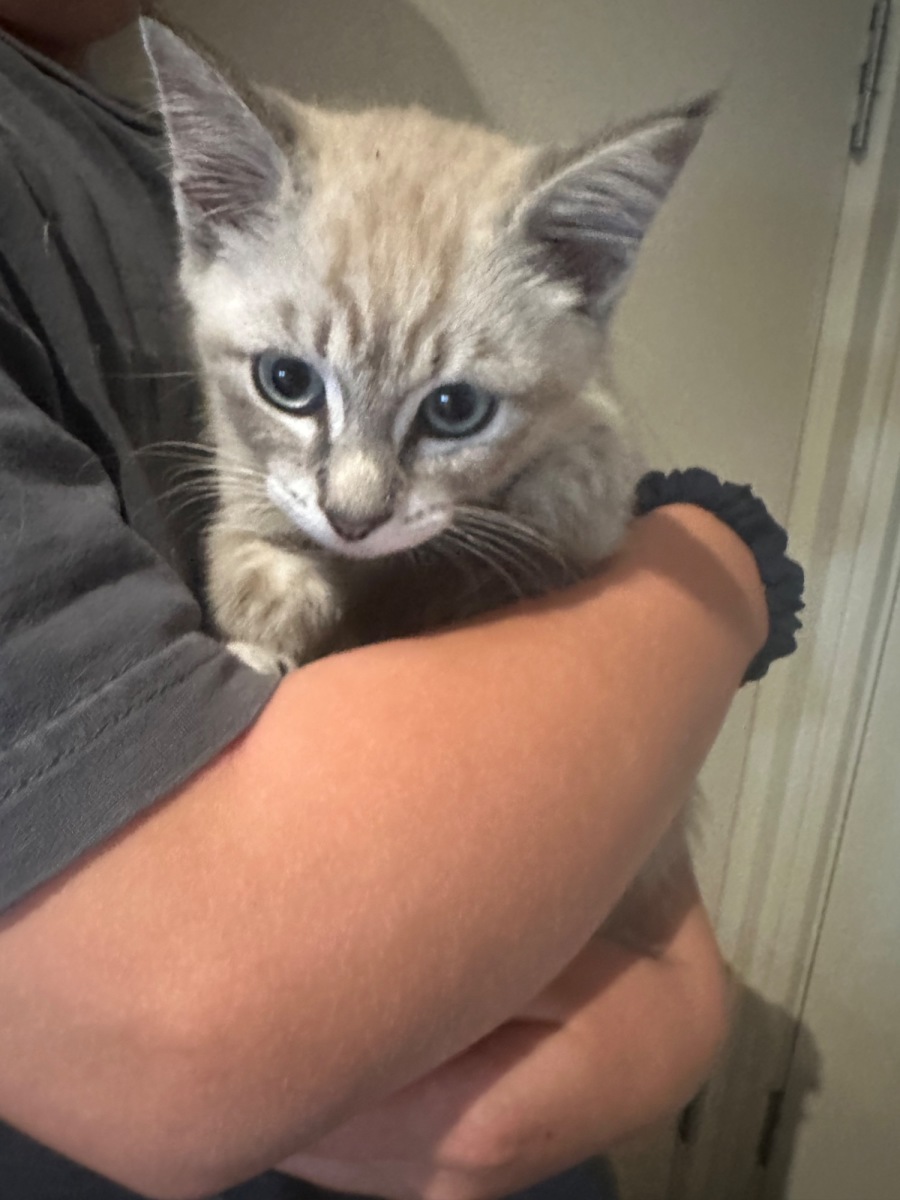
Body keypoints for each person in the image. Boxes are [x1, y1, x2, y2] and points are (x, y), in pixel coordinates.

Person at [0, 3, 787, 1199]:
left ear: (588, 276)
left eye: (452, 412)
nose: (354, 499)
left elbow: (638, 885)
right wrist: (720, 571)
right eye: (289, 382)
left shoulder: (121, 136)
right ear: (208, 222)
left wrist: (678, 1004)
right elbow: (185, 1050)